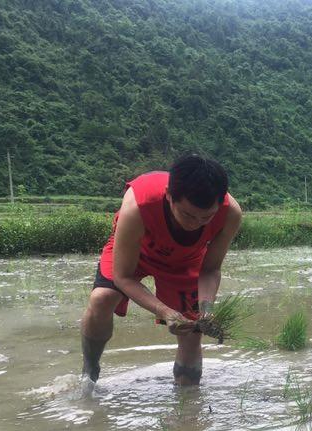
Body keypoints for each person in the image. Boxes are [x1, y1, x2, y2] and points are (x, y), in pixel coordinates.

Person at [81, 154, 242, 386]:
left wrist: (206, 310)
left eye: (206, 217)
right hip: (138, 252)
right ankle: (90, 370)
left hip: (186, 261)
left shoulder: (230, 214)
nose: (195, 223)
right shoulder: (138, 206)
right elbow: (123, 276)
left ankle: (187, 408)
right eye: (187, 214)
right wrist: (164, 312)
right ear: (169, 195)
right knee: (103, 298)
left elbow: (210, 269)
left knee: (190, 333)